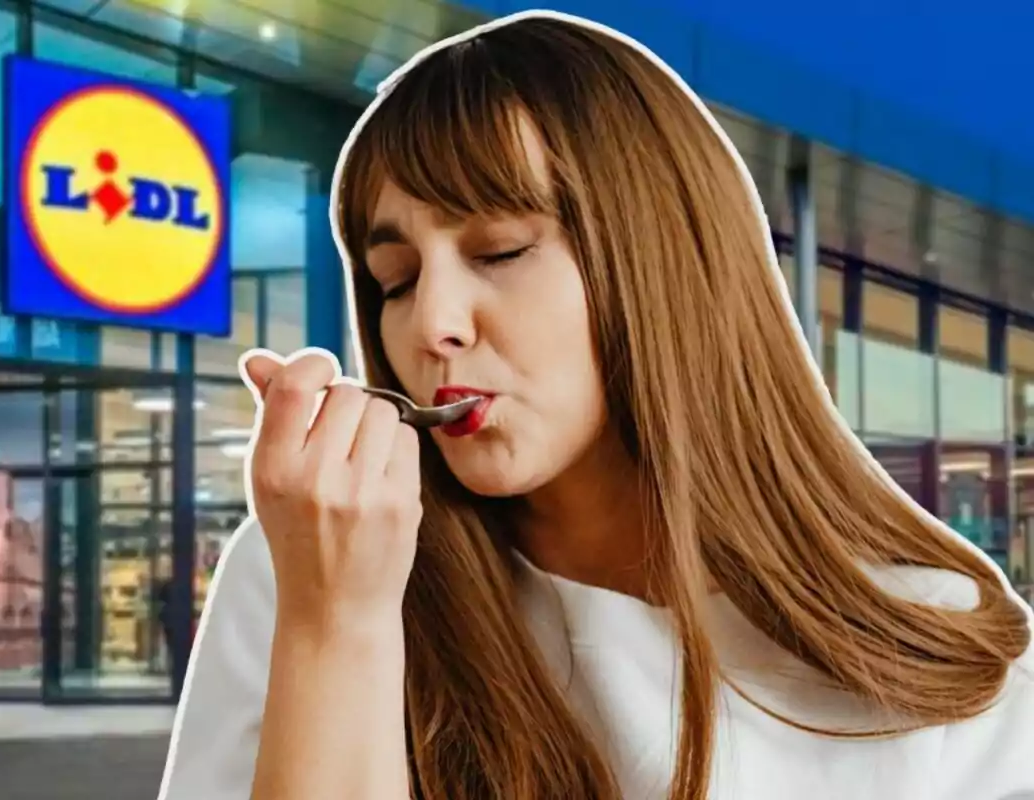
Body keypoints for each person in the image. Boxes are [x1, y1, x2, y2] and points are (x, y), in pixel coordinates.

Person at [157, 11, 1034, 800]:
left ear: (660, 262)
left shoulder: (934, 662)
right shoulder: (305, 573)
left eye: (499, 250)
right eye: (396, 279)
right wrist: (338, 628)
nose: (432, 324)